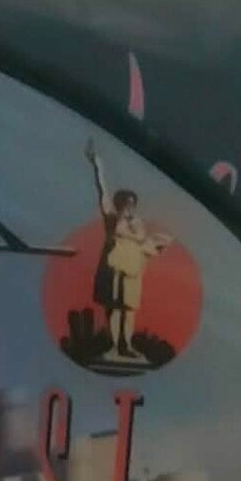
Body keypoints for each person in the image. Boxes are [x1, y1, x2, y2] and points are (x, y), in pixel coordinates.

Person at [86, 138, 172, 362]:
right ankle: (115, 347)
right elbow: (102, 191)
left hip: (133, 268)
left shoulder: (138, 222)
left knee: (129, 309)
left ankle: (128, 346)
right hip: (115, 266)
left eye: (132, 202)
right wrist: (97, 165)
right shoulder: (112, 217)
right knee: (114, 308)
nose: (130, 205)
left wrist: (155, 245)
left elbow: (144, 242)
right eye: (126, 202)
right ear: (120, 203)